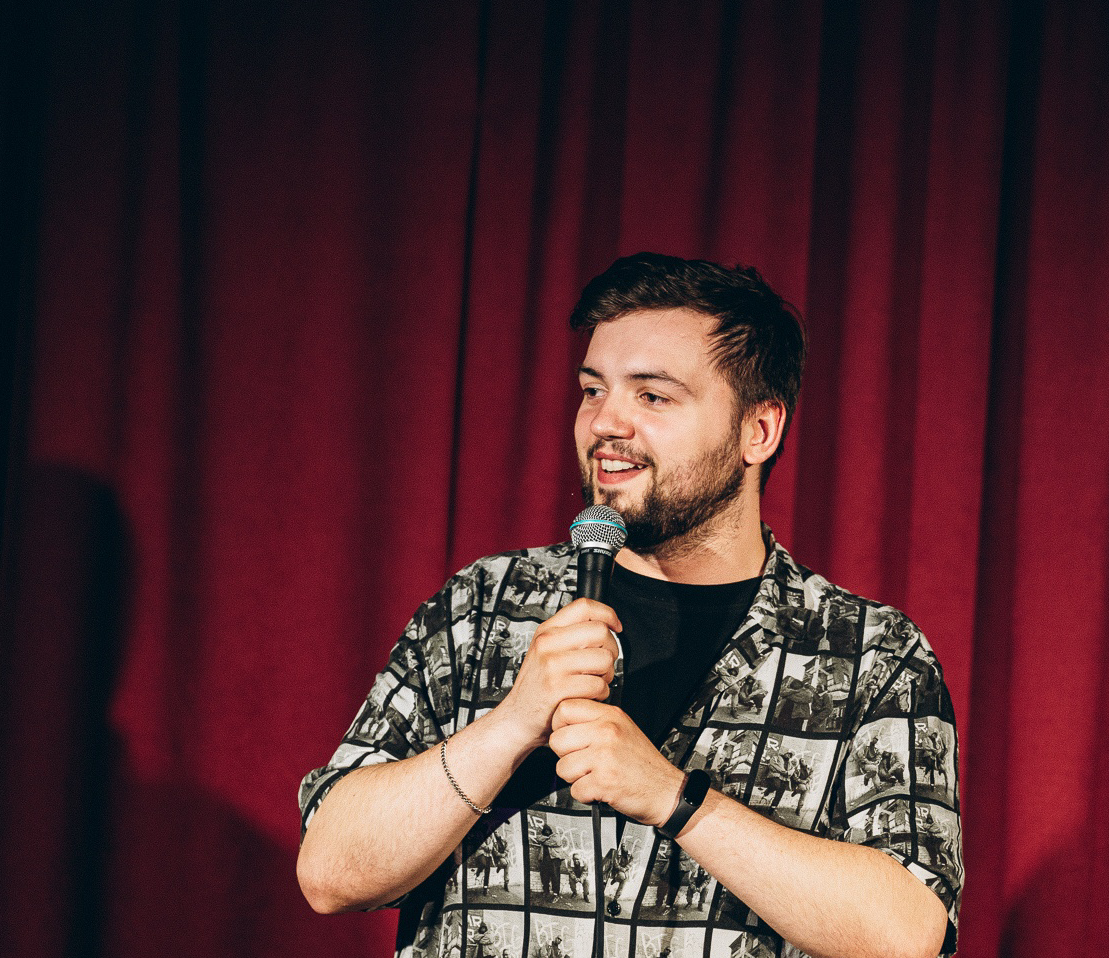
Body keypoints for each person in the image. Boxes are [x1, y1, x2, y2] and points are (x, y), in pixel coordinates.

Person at [296, 253, 962, 957]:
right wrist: (512, 723)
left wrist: (677, 800)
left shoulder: (869, 654)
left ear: (758, 431)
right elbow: (330, 874)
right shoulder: (482, 608)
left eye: (653, 396)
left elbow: (906, 935)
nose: (605, 422)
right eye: (593, 390)